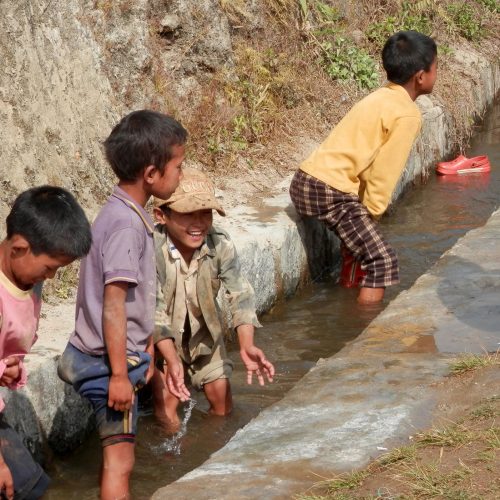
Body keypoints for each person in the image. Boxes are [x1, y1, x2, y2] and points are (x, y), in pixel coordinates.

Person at [57, 110, 187, 500]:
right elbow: (114, 304)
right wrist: (118, 374)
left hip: (113, 356)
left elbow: (133, 300)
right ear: (151, 174)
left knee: (119, 453)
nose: (181, 173)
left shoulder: (122, 213)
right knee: (121, 463)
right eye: (178, 166)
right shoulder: (127, 226)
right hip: (105, 363)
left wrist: (146, 346)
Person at [289, 30, 437, 304]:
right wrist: (373, 213)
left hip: (305, 182)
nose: (436, 74)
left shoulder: (381, 96)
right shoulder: (407, 114)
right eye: (435, 67)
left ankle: (348, 293)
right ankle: (364, 336)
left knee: (360, 249)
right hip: (329, 191)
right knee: (382, 261)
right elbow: (383, 173)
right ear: (420, 76)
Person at [151, 168, 275, 431]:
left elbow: (240, 294)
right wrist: (171, 360)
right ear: (162, 215)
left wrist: (246, 345)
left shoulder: (219, 245)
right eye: (187, 215)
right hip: (164, 343)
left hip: (204, 337)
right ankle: (175, 455)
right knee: (167, 406)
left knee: (221, 400)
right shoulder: (152, 250)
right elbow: (154, 311)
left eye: (205, 214)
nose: (198, 224)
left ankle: (213, 447)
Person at [0, 186, 92, 500]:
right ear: (19, 248)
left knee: (30, 487)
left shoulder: (27, 280)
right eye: (50, 268)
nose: (51, 277)